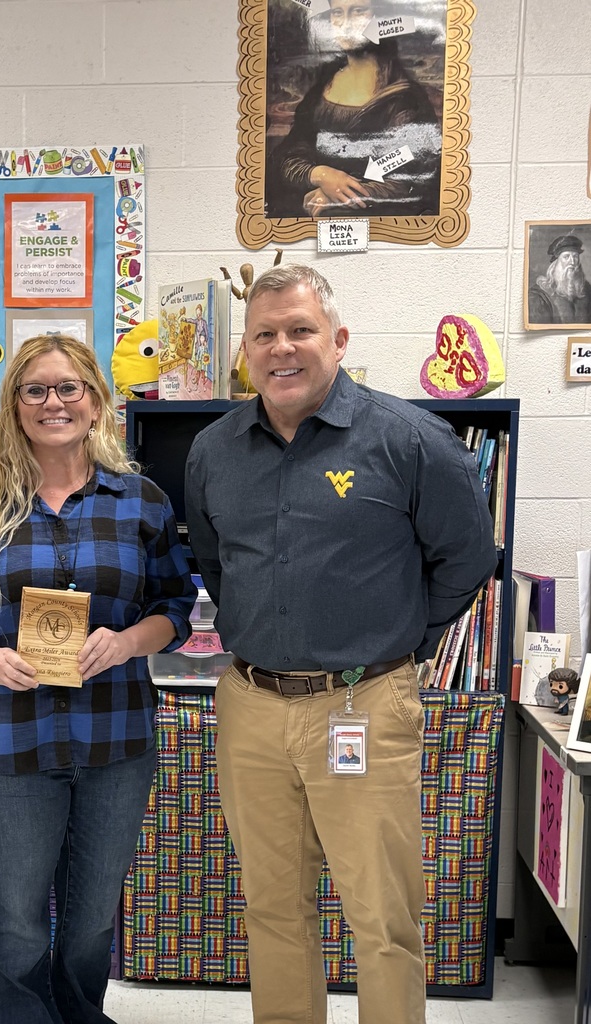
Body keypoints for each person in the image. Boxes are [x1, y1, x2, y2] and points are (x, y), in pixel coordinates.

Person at [184, 264, 497, 1024]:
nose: (281, 349)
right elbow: (214, 565)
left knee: (381, 919)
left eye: (299, 330)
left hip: (365, 703)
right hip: (252, 707)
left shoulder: (410, 440)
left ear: (338, 339)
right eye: (264, 335)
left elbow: (466, 558)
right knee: (272, 908)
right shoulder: (212, 451)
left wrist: (396, 641)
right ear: (246, 352)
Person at [0, 334, 196, 1023]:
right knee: (16, 915)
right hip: (5, 743)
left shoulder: (141, 501)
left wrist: (129, 640)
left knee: (91, 917)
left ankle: (79, 1014)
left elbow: (174, 607)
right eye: (35, 389)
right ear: (14, 405)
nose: (54, 402)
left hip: (114, 741)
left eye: (69, 387)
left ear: (97, 401)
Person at [265, 0, 441, 219]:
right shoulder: (323, 86)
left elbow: (409, 181)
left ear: (379, 18)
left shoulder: (404, 99)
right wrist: (320, 174)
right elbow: (288, 155)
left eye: (358, 11)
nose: (346, 23)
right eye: (338, 13)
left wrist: (338, 196)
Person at [528, 234, 591, 325]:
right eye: (566, 257)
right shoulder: (539, 295)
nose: (572, 262)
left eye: (575, 257)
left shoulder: (587, 290)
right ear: (555, 264)